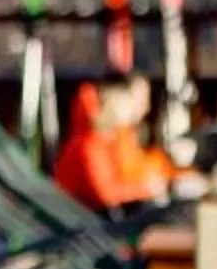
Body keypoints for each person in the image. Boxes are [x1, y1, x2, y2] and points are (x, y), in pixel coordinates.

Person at [53, 77, 175, 212]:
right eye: (131, 101)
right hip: (81, 218)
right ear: (113, 102)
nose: (140, 109)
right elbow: (107, 193)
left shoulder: (116, 138)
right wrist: (145, 189)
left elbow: (135, 170)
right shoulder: (92, 143)